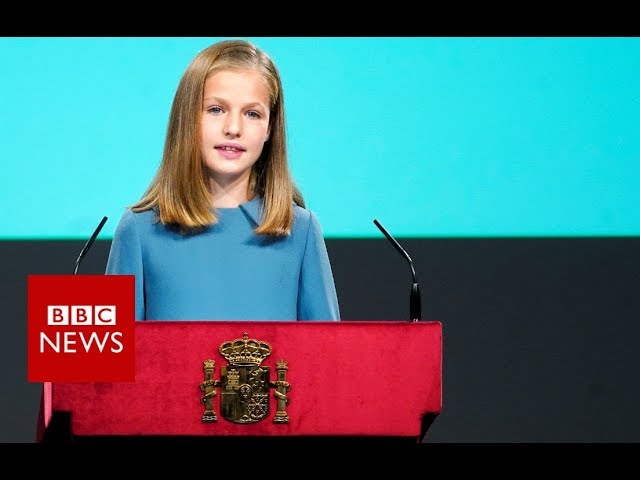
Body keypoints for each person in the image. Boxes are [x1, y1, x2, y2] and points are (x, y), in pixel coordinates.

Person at [105, 39, 340, 322]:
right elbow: (109, 364)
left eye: (252, 114)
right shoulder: (139, 230)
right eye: (216, 109)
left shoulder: (301, 232)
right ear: (187, 117)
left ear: (269, 129)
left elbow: (327, 360)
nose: (233, 128)